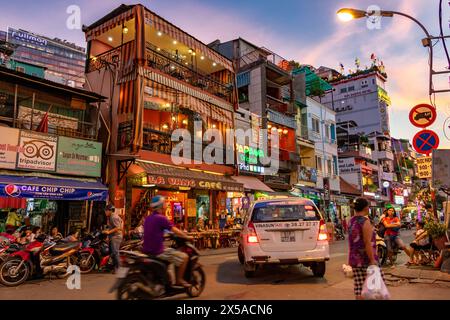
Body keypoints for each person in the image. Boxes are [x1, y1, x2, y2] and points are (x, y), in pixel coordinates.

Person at [142, 195, 193, 288]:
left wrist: (165, 236)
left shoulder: (148, 218)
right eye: (164, 203)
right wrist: (187, 236)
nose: (166, 205)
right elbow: (174, 230)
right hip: (158, 251)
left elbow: (154, 232)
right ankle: (179, 280)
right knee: (184, 257)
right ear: (161, 206)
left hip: (147, 251)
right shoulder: (161, 218)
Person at [348, 198, 383, 299]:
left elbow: (351, 242)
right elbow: (367, 243)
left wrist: (349, 259)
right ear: (366, 207)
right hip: (366, 259)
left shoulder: (351, 221)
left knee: (359, 288)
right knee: (375, 288)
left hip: (354, 259)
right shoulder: (365, 222)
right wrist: (372, 260)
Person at [102, 204, 123, 273]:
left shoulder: (113, 217)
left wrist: (108, 232)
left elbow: (118, 227)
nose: (105, 212)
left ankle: (119, 268)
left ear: (110, 211)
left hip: (116, 237)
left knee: (115, 253)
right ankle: (113, 268)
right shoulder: (110, 217)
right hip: (113, 236)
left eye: (106, 211)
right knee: (112, 253)